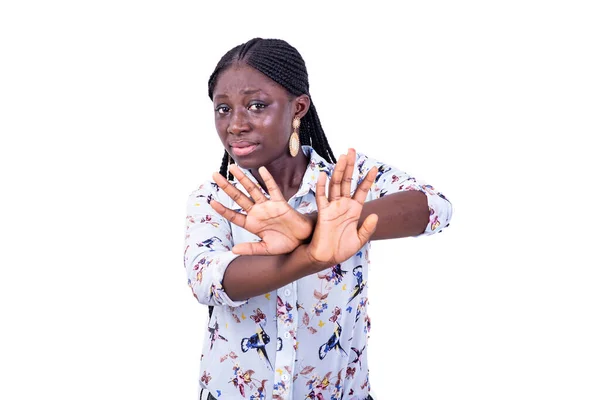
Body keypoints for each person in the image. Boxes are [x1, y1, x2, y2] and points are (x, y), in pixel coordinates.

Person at [183, 38, 452, 400]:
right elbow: (208, 280)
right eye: (223, 109)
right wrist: (310, 254)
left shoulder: (348, 179)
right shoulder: (212, 198)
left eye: (256, 105)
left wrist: (311, 224)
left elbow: (435, 207)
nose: (235, 125)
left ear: (298, 108)